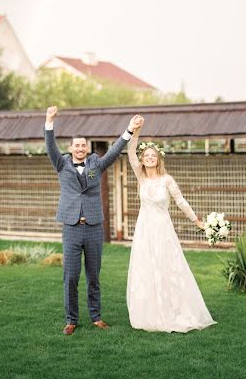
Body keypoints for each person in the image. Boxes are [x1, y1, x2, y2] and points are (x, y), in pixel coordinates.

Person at [45, 105, 142, 335]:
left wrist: (129, 129)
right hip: (71, 227)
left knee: (93, 275)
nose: (80, 148)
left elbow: (114, 151)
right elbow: (50, 146)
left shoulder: (96, 164)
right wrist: (49, 121)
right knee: (70, 276)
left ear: (87, 148)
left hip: (94, 227)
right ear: (71, 148)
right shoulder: (62, 163)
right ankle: (71, 319)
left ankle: (96, 316)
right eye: (76, 145)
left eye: (83, 145)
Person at [126, 116, 216, 333]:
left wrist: (197, 221)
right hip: (144, 230)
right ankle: (150, 312)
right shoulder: (141, 177)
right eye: (146, 156)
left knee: (169, 268)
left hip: (162, 229)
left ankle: (173, 309)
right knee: (145, 268)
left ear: (158, 160)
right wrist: (135, 131)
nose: (148, 158)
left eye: (152, 156)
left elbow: (181, 201)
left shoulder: (167, 180)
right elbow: (130, 152)